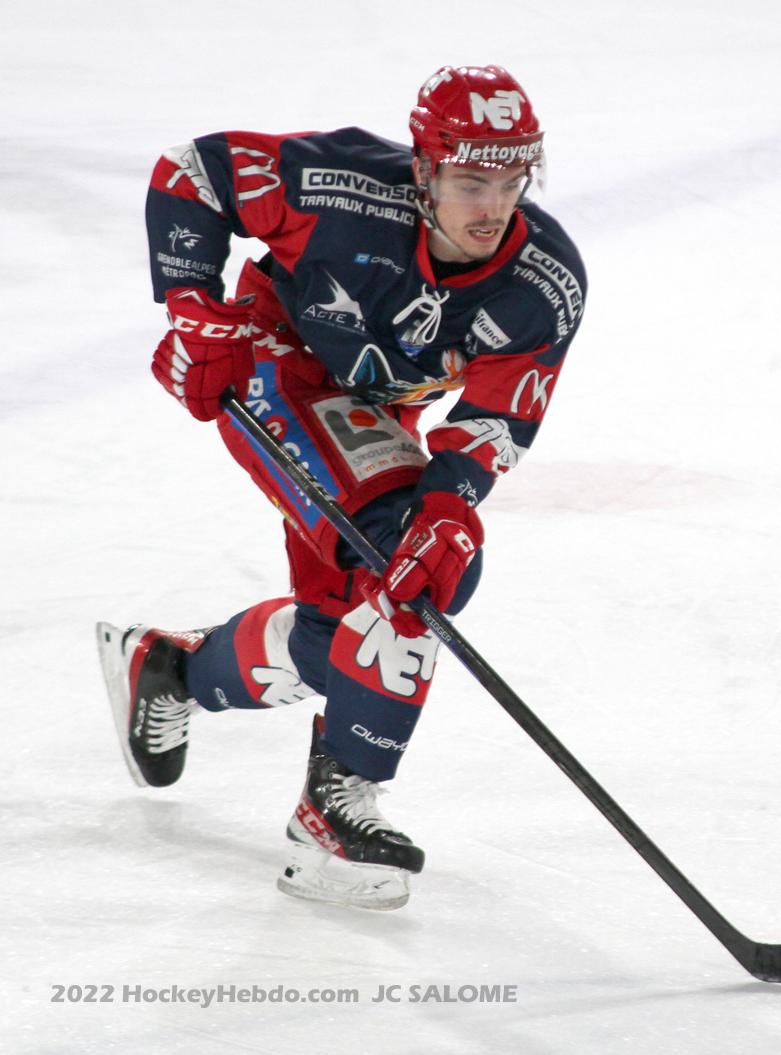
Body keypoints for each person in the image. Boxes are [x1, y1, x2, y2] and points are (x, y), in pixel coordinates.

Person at [97, 65, 587, 910]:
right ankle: (333, 814)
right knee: (405, 565)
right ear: (424, 169)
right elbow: (192, 171)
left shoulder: (544, 282)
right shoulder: (341, 188)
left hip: (368, 411)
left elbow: (494, 417)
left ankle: (169, 670)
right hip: (273, 357)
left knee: (368, 603)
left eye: (511, 180)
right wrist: (191, 308)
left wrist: (450, 506)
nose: (492, 206)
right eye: (471, 179)